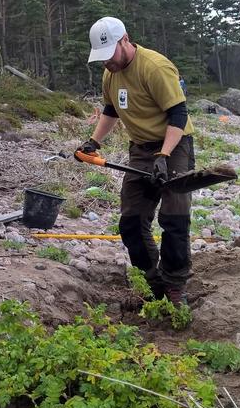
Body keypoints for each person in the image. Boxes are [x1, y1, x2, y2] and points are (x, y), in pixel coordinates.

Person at [77, 17, 196, 306]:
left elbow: (178, 114)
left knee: (174, 218)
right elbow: (110, 110)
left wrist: (164, 155)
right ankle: (153, 281)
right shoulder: (111, 74)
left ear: (125, 40)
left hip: (174, 144)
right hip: (141, 150)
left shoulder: (155, 67)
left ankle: (175, 284)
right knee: (131, 220)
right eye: (102, 59)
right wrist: (94, 142)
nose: (107, 63)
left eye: (110, 55)